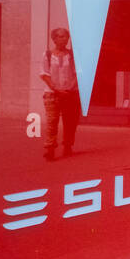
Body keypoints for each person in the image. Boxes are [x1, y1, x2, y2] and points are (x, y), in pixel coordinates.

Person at [39, 27, 80, 161]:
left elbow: (77, 74)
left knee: (70, 122)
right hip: (52, 94)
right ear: (54, 39)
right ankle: (50, 148)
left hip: (69, 94)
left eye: (66, 37)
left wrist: (69, 89)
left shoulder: (72, 55)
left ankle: (68, 145)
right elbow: (44, 74)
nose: (64, 39)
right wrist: (55, 88)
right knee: (52, 121)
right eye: (61, 36)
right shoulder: (48, 55)